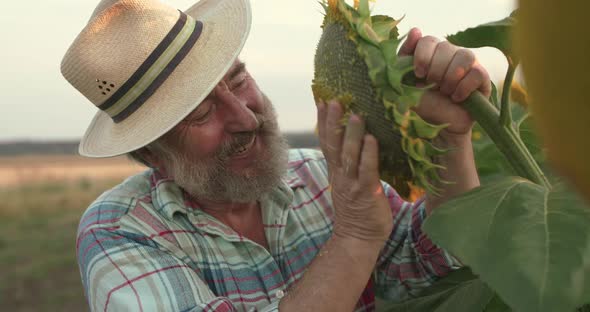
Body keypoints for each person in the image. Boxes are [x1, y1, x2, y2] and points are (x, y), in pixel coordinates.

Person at [62, 0, 491, 311]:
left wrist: (448, 140)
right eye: (201, 113)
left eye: (238, 79)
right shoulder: (121, 232)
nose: (245, 118)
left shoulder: (321, 173)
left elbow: (430, 260)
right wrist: (355, 235)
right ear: (153, 154)